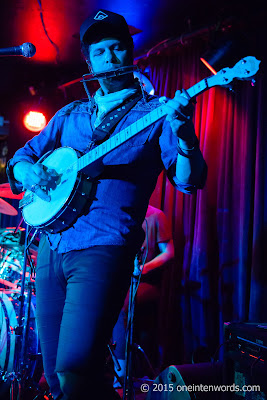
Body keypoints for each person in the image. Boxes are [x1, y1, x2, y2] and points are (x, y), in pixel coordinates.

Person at [6, 9, 207, 400]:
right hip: (52, 247)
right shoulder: (69, 115)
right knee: (53, 374)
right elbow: (21, 158)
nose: (110, 57)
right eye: (100, 51)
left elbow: (188, 179)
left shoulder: (156, 113)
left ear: (129, 55)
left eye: (118, 48)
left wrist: (185, 136)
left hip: (103, 246)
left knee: (75, 366)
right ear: (89, 60)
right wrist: (30, 174)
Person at [112, 205, 175, 384]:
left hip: (145, 282)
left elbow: (169, 253)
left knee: (121, 304)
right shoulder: (120, 212)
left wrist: (144, 269)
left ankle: (120, 372)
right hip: (120, 281)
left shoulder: (156, 216)